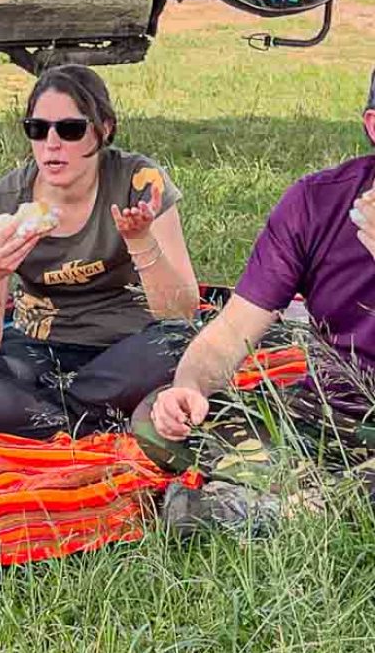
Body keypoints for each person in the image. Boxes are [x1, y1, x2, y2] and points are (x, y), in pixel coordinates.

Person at [136, 71, 375, 501]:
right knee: (158, 415)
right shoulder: (317, 203)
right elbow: (231, 331)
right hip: (327, 415)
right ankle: (315, 496)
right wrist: (189, 387)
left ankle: (275, 507)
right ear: (373, 126)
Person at [0, 65, 199, 437]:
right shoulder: (4, 201)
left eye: (69, 130)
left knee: (180, 344)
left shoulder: (137, 182)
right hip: (41, 350)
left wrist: (140, 241)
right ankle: (97, 420)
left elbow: (182, 311)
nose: (51, 144)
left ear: (103, 129)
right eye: (37, 130)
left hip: (126, 347)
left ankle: (46, 419)